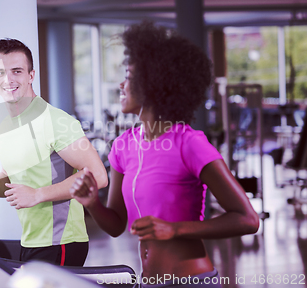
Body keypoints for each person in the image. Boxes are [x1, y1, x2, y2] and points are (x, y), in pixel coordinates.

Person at [70, 22, 259, 287]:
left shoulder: (189, 143)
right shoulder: (123, 146)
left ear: (154, 83)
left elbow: (247, 219)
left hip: (192, 281)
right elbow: (115, 225)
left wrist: (174, 229)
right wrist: (92, 204)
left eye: (129, 76)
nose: (121, 85)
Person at [0, 38, 108, 266]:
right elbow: (15, 182)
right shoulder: (6, 125)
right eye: (1, 73)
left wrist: (38, 195)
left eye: (17, 71)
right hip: (31, 242)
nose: (9, 79)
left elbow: (98, 176)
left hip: (61, 243)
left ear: (31, 75)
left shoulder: (56, 121)